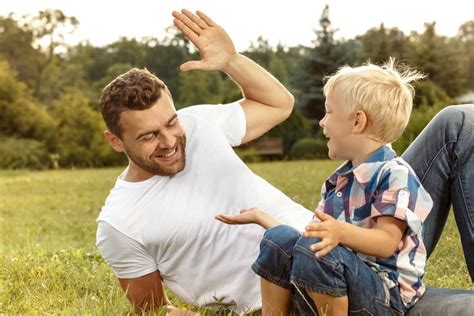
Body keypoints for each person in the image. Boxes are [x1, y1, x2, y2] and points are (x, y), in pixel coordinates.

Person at [95, 8, 473, 315]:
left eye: (171, 122)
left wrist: (230, 61)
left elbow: (278, 104)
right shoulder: (121, 223)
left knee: (459, 124)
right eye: (148, 136)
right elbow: (153, 310)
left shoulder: (197, 125)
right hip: (305, 294)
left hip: (361, 241)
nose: (170, 141)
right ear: (115, 141)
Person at [217, 60, 433, 315]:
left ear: (357, 122)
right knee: (279, 240)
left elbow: (386, 242)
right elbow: (310, 238)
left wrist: (339, 232)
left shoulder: (395, 174)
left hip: (385, 296)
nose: (322, 122)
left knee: (316, 248)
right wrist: (263, 218)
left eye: (328, 112)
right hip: (339, 282)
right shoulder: (338, 181)